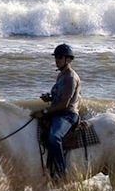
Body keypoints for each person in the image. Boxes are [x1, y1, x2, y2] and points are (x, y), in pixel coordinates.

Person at [30, 43, 81, 183]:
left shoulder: (70, 77)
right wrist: (50, 98)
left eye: (60, 57)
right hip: (58, 113)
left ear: (68, 60)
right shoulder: (61, 75)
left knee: (54, 137)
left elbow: (65, 104)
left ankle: (61, 171)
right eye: (56, 57)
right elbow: (60, 96)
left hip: (68, 115)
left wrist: (44, 111)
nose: (57, 60)